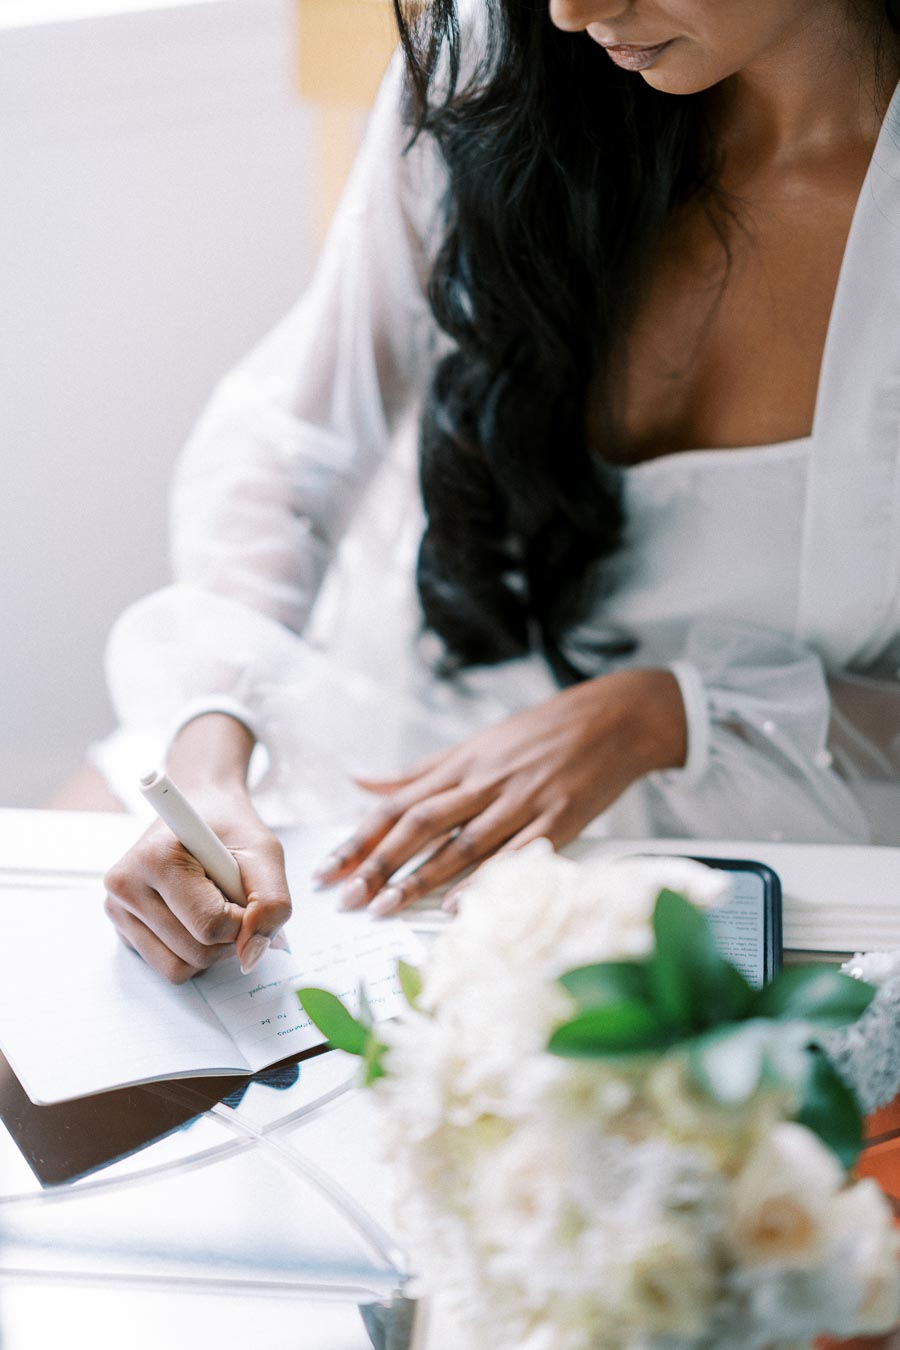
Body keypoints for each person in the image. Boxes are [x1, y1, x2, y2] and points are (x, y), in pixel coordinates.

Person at [80, 0, 900, 982]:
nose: (571, 10)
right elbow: (295, 438)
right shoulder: (498, 62)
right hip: (403, 755)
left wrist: (668, 714)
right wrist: (213, 755)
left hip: (805, 836)